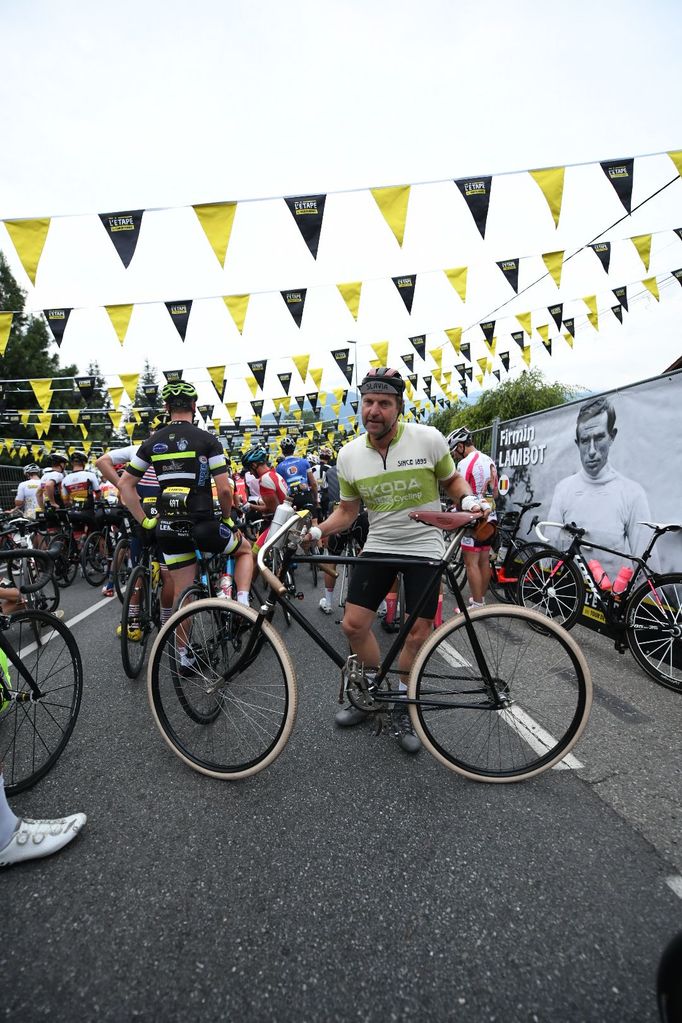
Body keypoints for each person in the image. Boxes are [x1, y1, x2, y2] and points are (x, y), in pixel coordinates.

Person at [306, 367, 486, 754]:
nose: (374, 410)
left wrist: (468, 500)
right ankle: (374, 691)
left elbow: (452, 482)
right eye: (368, 402)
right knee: (353, 625)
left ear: (398, 407)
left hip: (424, 547)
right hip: (380, 544)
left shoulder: (427, 439)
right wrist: (319, 531)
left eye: (384, 403)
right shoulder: (350, 454)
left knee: (417, 632)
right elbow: (348, 511)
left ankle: (405, 703)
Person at [117, 382, 253, 663]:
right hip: (203, 523)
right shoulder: (206, 439)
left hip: (167, 526)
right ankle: (242, 603)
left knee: (182, 593)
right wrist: (227, 517)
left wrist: (146, 522)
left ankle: (182, 655)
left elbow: (125, 486)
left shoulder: (152, 443)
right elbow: (225, 489)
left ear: (167, 408)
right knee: (245, 550)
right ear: (194, 406)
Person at [546, 396, 656, 581]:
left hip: (614, 600)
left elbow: (647, 569)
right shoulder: (563, 489)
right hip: (571, 595)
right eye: (584, 440)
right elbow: (548, 556)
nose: (591, 451)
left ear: (612, 436)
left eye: (599, 438)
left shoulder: (632, 493)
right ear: (577, 442)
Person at [447, 427, 496, 608]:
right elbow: (495, 491)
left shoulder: (465, 463)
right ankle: (480, 599)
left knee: (471, 563)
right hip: (491, 516)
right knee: (484, 560)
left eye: (455, 451)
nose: (456, 455)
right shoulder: (489, 460)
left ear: (460, 446)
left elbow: (461, 492)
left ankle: (476, 604)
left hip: (473, 517)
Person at [276, 436, 319, 518]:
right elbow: (313, 483)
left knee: (294, 526)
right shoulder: (304, 462)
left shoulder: (279, 467)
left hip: (291, 499)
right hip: (306, 496)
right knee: (313, 523)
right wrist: (316, 499)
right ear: (294, 449)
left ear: (282, 450)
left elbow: (280, 488)